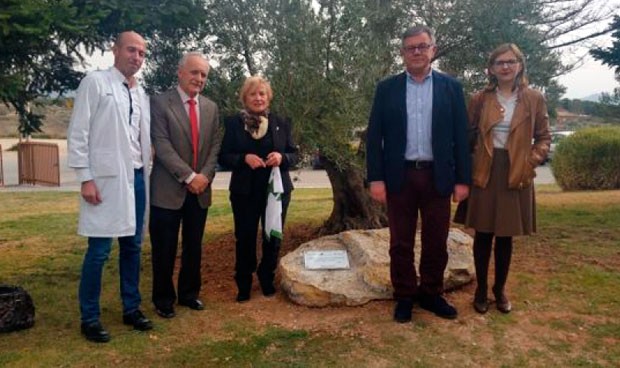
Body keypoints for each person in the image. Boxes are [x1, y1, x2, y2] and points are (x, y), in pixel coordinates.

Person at [366, 25, 471, 323]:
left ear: (432, 50)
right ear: (402, 53)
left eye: (422, 46)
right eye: (410, 47)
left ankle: (431, 293)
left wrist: (463, 179)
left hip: (438, 176)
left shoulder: (451, 87)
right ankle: (404, 296)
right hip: (400, 177)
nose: (416, 51)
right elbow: (375, 137)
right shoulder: (387, 88)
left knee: (437, 240)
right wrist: (376, 178)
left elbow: (461, 138)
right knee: (400, 242)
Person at [67, 31, 153, 343]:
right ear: (114, 49)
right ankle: (89, 317)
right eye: (131, 50)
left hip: (136, 179)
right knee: (99, 251)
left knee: (132, 247)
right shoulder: (95, 82)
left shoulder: (140, 92)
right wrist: (85, 177)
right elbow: (79, 133)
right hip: (104, 180)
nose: (137, 57)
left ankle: (131, 308)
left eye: (142, 53)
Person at [465, 43, 550, 314]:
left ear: (520, 65)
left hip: (516, 170)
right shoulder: (480, 99)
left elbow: (544, 137)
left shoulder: (534, 98)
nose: (505, 66)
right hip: (485, 170)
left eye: (511, 61)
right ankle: (479, 290)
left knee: (505, 236)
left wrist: (531, 161)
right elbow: (467, 136)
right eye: (500, 62)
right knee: (483, 234)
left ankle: (499, 290)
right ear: (491, 68)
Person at [149, 52, 222, 318]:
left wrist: (204, 176)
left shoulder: (211, 108)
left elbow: (214, 147)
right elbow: (162, 145)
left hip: (200, 191)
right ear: (180, 73)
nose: (199, 79)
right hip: (167, 191)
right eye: (194, 72)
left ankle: (189, 294)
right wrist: (190, 176)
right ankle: (163, 300)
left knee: (194, 246)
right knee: (164, 248)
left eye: (203, 75)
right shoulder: (158, 103)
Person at [218, 76, 298, 303]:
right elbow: (224, 156)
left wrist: (282, 157)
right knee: (244, 237)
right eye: (253, 94)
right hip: (244, 191)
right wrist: (244, 158)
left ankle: (266, 277)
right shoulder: (234, 123)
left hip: (276, 190)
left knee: (273, 237)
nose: (258, 98)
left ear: (268, 97)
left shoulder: (281, 122)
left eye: (262, 93)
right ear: (245, 98)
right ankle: (243, 282)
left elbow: (294, 153)